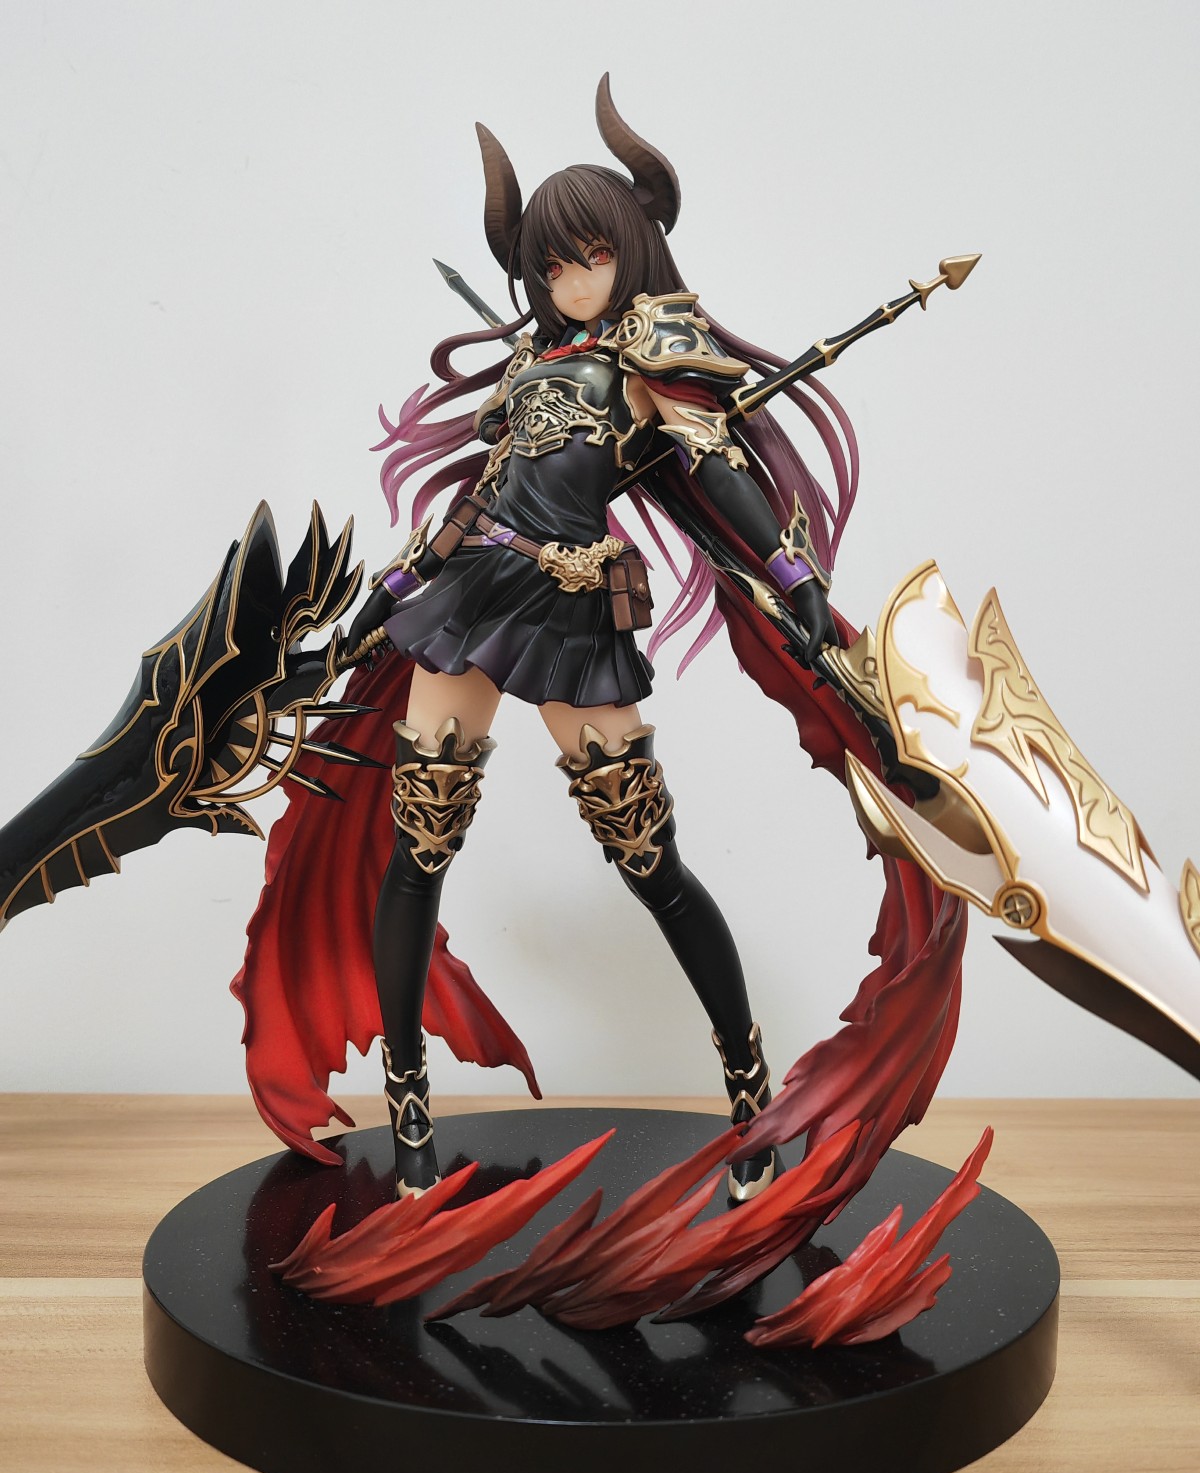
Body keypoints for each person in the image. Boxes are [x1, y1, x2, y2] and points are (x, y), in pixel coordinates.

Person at [235, 77, 963, 1212]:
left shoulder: (657, 358)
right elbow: (474, 507)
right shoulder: (529, 374)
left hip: (573, 614)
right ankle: (410, 1109)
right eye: (552, 266)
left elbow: (725, 476)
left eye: (591, 256)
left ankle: (752, 1099)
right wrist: (376, 609)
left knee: (648, 861)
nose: (573, 280)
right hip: (468, 599)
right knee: (417, 850)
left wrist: (796, 579)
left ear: (630, 249)